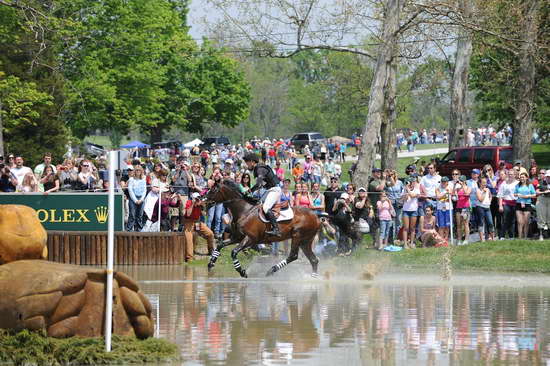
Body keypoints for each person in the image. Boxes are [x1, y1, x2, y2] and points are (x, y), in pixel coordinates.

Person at [243, 153, 282, 236]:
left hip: (274, 190)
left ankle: (276, 229)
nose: (246, 164)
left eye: (247, 162)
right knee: (258, 204)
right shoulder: (258, 168)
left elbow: (259, 185)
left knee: (265, 207)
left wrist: (248, 192)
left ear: (252, 162)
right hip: (269, 190)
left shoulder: (259, 169)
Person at [183, 192, 214, 262]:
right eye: (196, 198)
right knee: (189, 239)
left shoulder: (200, 204)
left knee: (210, 233)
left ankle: (211, 250)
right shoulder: (189, 202)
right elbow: (188, 214)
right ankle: (189, 258)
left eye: (198, 198)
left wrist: (202, 204)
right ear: (193, 199)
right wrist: (193, 204)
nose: (197, 200)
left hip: (197, 222)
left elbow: (205, 213)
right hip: (189, 222)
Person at [497, 170, 518, 240]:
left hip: (515, 203)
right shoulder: (504, 183)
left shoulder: (517, 183)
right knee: (505, 220)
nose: (510, 175)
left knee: (512, 221)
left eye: (511, 174)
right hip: (506, 203)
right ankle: (502, 236)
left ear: (515, 175)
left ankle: (511, 236)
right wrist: (500, 205)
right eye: (509, 174)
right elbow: (500, 195)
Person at [514, 172, 536, 239]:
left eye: (523, 177)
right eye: (521, 177)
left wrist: (527, 196)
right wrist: (517, 195)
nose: (522, 178)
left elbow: (534, 194)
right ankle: (520, 237)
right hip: (519, 204)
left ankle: (525, 237)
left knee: (526, 222)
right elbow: (514, 194)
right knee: (519, 222)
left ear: (526, 177)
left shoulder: (530, 185)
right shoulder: (517, 185)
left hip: (527, 205)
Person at [385, 170, 404, 244]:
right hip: (391, 203)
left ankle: (398, 237)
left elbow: (403, 192)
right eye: (389, 175)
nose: (391, 175)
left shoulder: (400, 182)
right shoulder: (387, 182)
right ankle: (391, 239)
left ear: (395, 174)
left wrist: (402, 200)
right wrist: (389, 177)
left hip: (398, 203)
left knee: (398, 220)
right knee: (392, 221)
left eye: (392, 174)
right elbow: (391, 184)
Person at [127, 165, 147, 232]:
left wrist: (141, 199)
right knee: (132, 214)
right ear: (134, 171)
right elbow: (130, 190)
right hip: (133, 198)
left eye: (139, 170)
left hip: (141, 198)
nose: (138, 171)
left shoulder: (143, 179)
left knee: (140, 215)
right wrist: (135, 200)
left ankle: (138, 230)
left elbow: (145, 190)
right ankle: (129, 229)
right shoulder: (131, 179)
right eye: (137, 170)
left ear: (141, 171)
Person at [402, 177, 420, 249]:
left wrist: (407, 189)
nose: (411, 184)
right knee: (406, 228)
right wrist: (405, 195)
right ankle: (405, 244)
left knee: (412, 228)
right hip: (406, 210)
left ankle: (412, 243)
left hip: (414, 210)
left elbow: (412, 196)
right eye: (410, 182)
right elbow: (403, 199)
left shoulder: (417, 190)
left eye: (412, 182)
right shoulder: (404, 190)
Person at [475, 177, 495, 241]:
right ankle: (482, 239)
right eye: (483, 182)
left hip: (487, 207)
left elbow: (490, 196)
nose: (485, 184)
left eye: (485, 182)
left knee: (490, 222)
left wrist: (490, 201)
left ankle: (493, 238)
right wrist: (484, 192)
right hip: (480, 207)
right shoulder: (478, 190)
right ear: (480, 183)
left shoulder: (488, 189)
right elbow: (480, 199)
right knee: (481, 223)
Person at [454, 175, 472, 245]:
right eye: (460, 180)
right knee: (459, 224)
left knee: (465, 224)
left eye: (461, 180)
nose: (460, 181)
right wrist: (455, 185)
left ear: (464, 181)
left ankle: (466, 239)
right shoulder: (458, 188)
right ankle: (459, 240)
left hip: (465, 207)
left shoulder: (468, 187)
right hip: (458, 207)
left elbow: (467, 193)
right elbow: (453, 194)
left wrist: (463, 185)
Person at [435, 176, 452, 241]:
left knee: (447, 225)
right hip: (440, 208)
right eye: (442, 182)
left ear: (447, 182)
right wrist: (445, 192)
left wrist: (448, 192)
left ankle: (446, 238)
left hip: (448, 208)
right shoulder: (437, 188)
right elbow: (438, 197)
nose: (443, 183)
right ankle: (441, 239)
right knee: (441, 225)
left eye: (445, 182)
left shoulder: (449, 188)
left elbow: (451, 194)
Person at [536, 171, 550, 240]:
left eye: (549, 177)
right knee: (541, 217)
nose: (548, 178)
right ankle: (541, 235)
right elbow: (537, 192)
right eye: (547, 176)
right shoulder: (541, 182)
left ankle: (548, 235)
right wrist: (544, 192)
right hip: (542, 199)